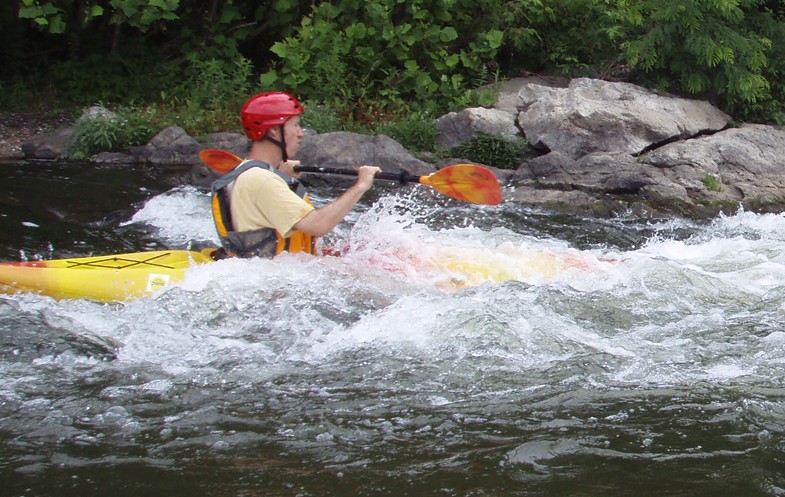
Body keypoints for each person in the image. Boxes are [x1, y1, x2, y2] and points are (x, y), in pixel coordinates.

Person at [211, 92, 381, 258]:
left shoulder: (248, 171)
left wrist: (279, 174)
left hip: (273, 269)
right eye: (295, 125)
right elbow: (318, 225)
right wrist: (361, 186)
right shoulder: (262, 180)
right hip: (279, 279)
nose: (300, 133)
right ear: (273, 131)